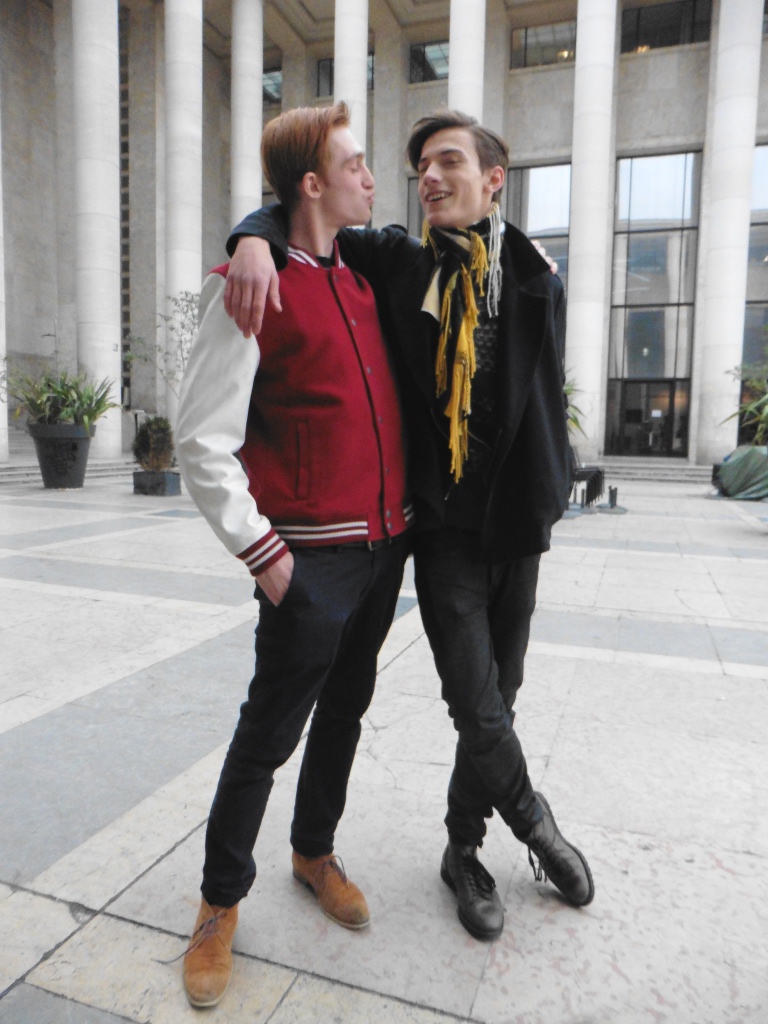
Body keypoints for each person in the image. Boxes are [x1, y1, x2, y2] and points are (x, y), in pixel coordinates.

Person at [223, 110, 594, 943]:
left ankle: (463, 849)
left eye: (448, 161)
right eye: (420, 163)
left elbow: (543, 398)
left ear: (492, 179)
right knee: (476, 704)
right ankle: (536, 826)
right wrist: (250, 238)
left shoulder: (537, 275)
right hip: (443, 532)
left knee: (502, 694)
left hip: (518, 530)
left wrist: (552, 492)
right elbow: (303, 213)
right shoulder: (397, 259)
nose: (428, 176)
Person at [174, 102, 411, 1008]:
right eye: (353, 165)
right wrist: (265, 554)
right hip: (308, 559)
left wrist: (257, 230)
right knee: (267, 735)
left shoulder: (362, 276)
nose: (371, 178)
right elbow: (201, 439)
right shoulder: (249, 287)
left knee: (345, 712)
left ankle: (314, 852)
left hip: (384, 548)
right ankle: (218, 902)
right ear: (312, 184)